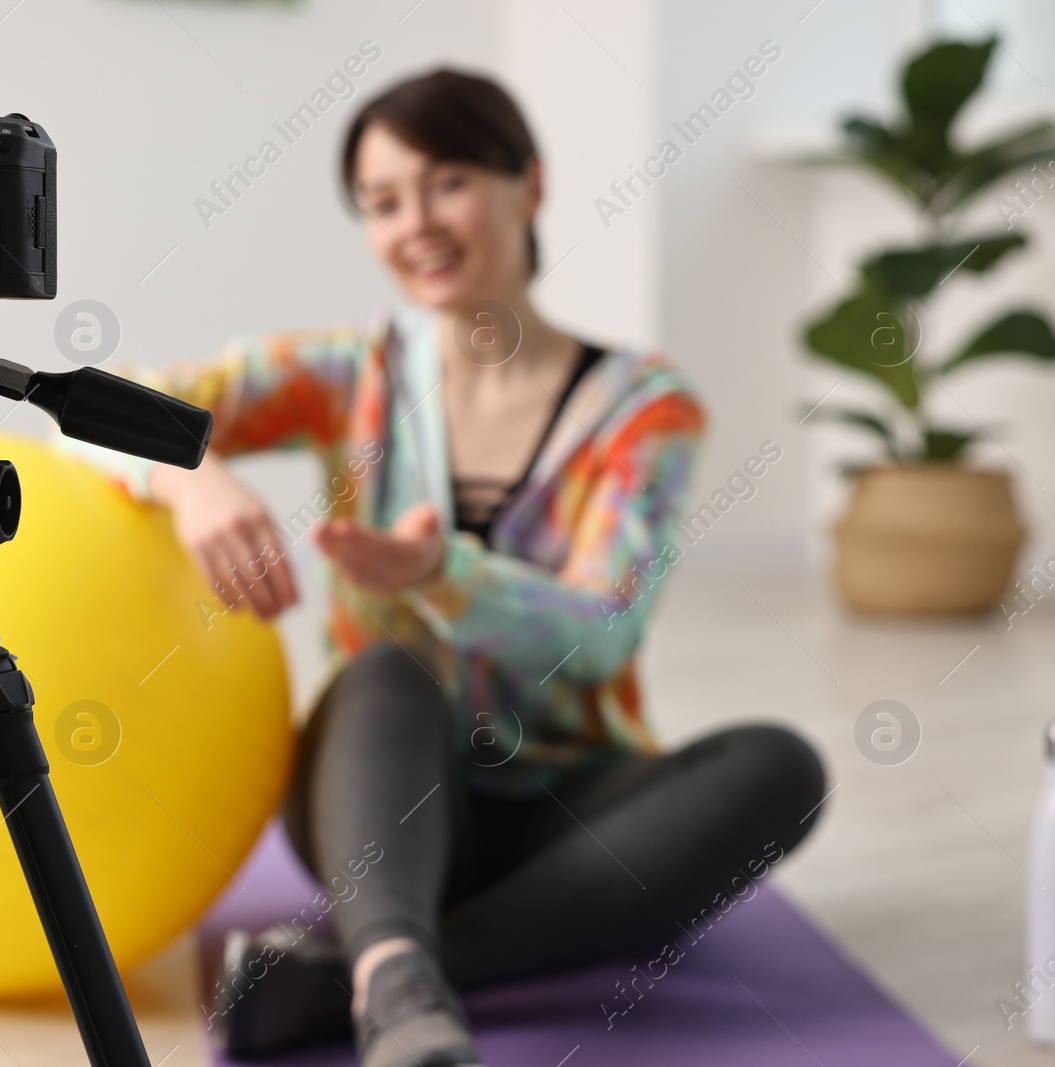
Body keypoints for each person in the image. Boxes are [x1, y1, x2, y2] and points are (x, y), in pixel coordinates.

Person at [65, 68, 827, 1067]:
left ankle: (369, 974)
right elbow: (103, 397)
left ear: (530, 186)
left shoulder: (645, 406)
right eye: (382, 202)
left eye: (447, 181)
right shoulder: (351, 374)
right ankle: (401, 956)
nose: (415, 222)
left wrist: (439, 570)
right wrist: (194, 477)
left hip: (561, 809)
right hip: (379, 796)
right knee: (384, 670)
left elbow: (601, 637)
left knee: (780, 768)